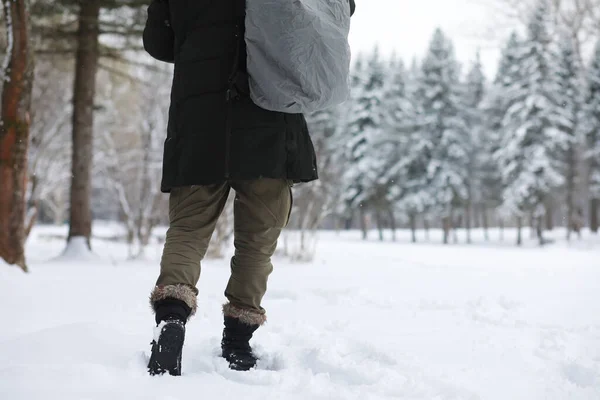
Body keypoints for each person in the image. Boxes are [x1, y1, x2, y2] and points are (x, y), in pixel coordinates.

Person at [142, 0, 356, 375]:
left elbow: (159, 43)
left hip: (199, 126)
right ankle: (238, 342)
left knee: (187, 232)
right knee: (256, 244)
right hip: (269, 126)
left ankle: (172, 320)